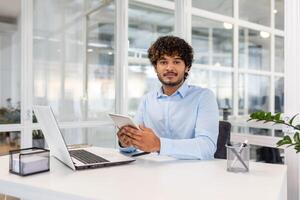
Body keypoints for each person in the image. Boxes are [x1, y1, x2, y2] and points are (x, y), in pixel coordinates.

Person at [117, 36, 219, 159]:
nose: (169, 68)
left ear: (186, 67)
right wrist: (126, 142)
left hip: (193, 173)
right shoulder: (147, 100)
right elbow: (134, 146)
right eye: (163, 62)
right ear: (156, 68)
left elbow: (207, 147)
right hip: (155, 172)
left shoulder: (204, 97)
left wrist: (158, 144)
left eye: (176, 61)